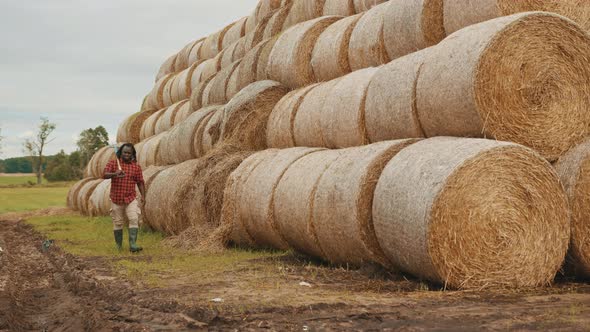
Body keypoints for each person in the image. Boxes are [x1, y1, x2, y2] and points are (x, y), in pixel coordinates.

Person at [103, 143, 145, 252]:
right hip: (116, 199)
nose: (127, 154)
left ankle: (133, 244)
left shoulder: (136, 167)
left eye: (129, 153)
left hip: (131, 198)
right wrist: (115, 173)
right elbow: (104, 175)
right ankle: (119, 246)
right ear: (121, 153)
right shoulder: (113, 163)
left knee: (134, 218)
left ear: (132, 154)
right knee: (118, 223)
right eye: (125, 152)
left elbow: (140, 182)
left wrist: (143, 195)